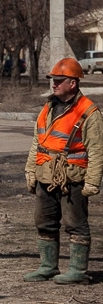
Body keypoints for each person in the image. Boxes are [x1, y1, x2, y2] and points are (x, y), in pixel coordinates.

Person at [23, 57, 103, 284]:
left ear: (73, 84)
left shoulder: (89, 112)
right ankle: (48, 267)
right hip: (45, 176)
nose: (54, 84)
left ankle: (77, 271)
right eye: (53, 80)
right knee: (44, 221)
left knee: (75, 224)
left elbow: (97, 150)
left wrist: (93, 182)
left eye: (59, 80)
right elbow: (37, 143)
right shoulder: (48, 108)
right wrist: (31, 171)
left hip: (73, 178)